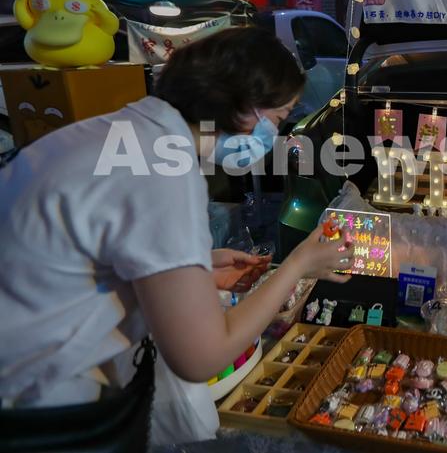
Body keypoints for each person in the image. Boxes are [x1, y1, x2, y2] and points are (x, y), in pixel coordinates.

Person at [0, 28, 353, 444]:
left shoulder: (114, 132)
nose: (273, 137)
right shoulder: (162, 171)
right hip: (37, 411)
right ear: (242, 104)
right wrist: (298, 266)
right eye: (277, 119)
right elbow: (201, 357)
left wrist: (195, 270)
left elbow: (84, 260)